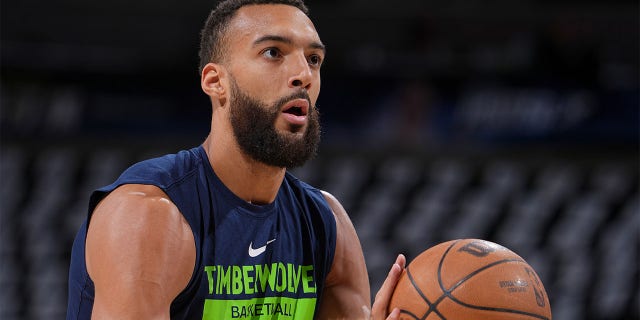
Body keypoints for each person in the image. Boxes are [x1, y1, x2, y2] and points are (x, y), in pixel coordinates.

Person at [66, 0, 406, 319]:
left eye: (314, 59)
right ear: (216, 82)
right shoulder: (148, 216)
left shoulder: (327, 224)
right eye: (273, 52)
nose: (304, 74)